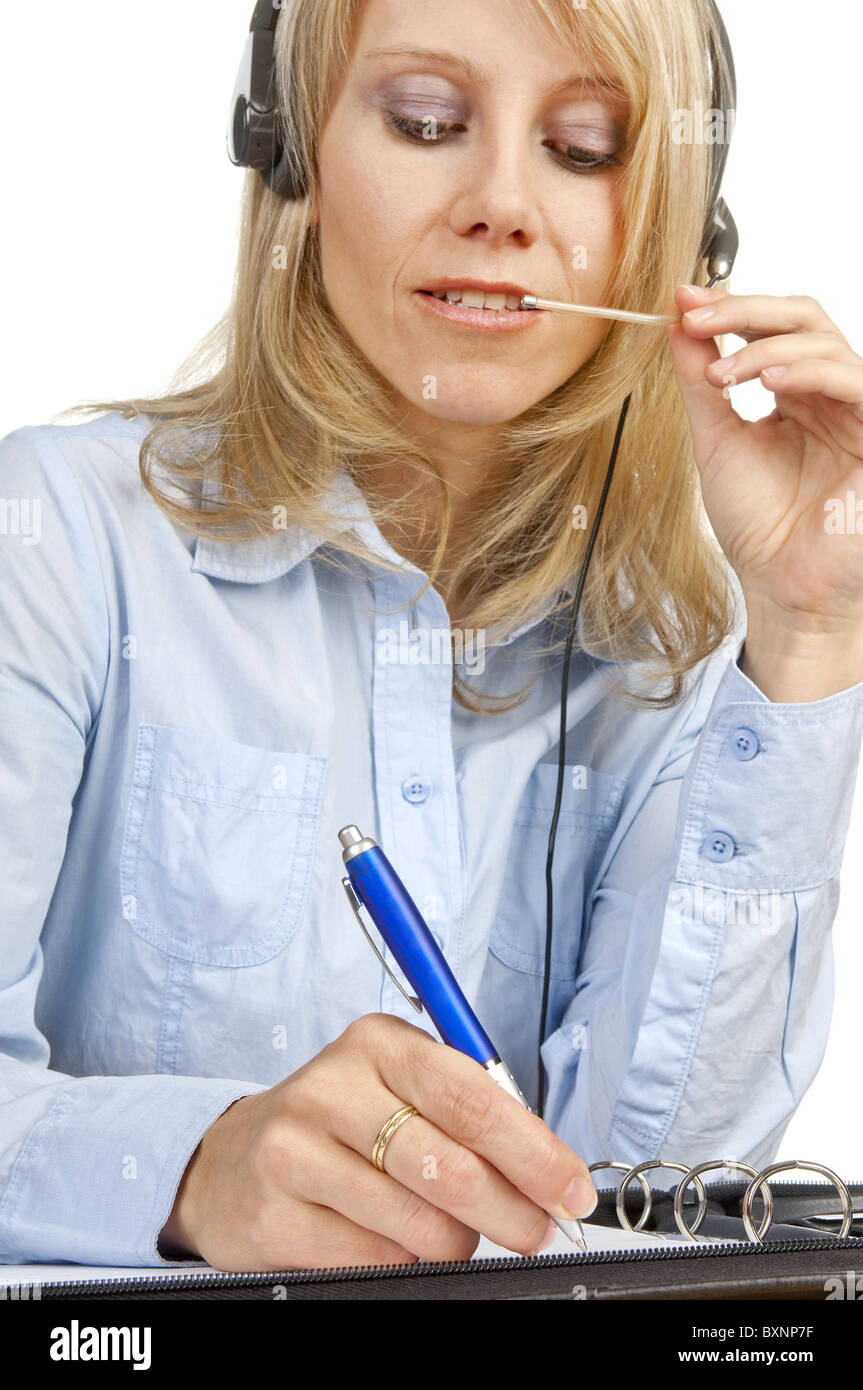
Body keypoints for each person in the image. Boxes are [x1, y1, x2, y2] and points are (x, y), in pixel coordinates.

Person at [2, 0, 863, 1274]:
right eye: (424, 122)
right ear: (288, 158)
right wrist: (192, 1165)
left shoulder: (687, 648)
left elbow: (649, 1215)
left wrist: (808, 630)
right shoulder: (57, 542)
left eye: (581, 149)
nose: (503, 204)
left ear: (679, 233)